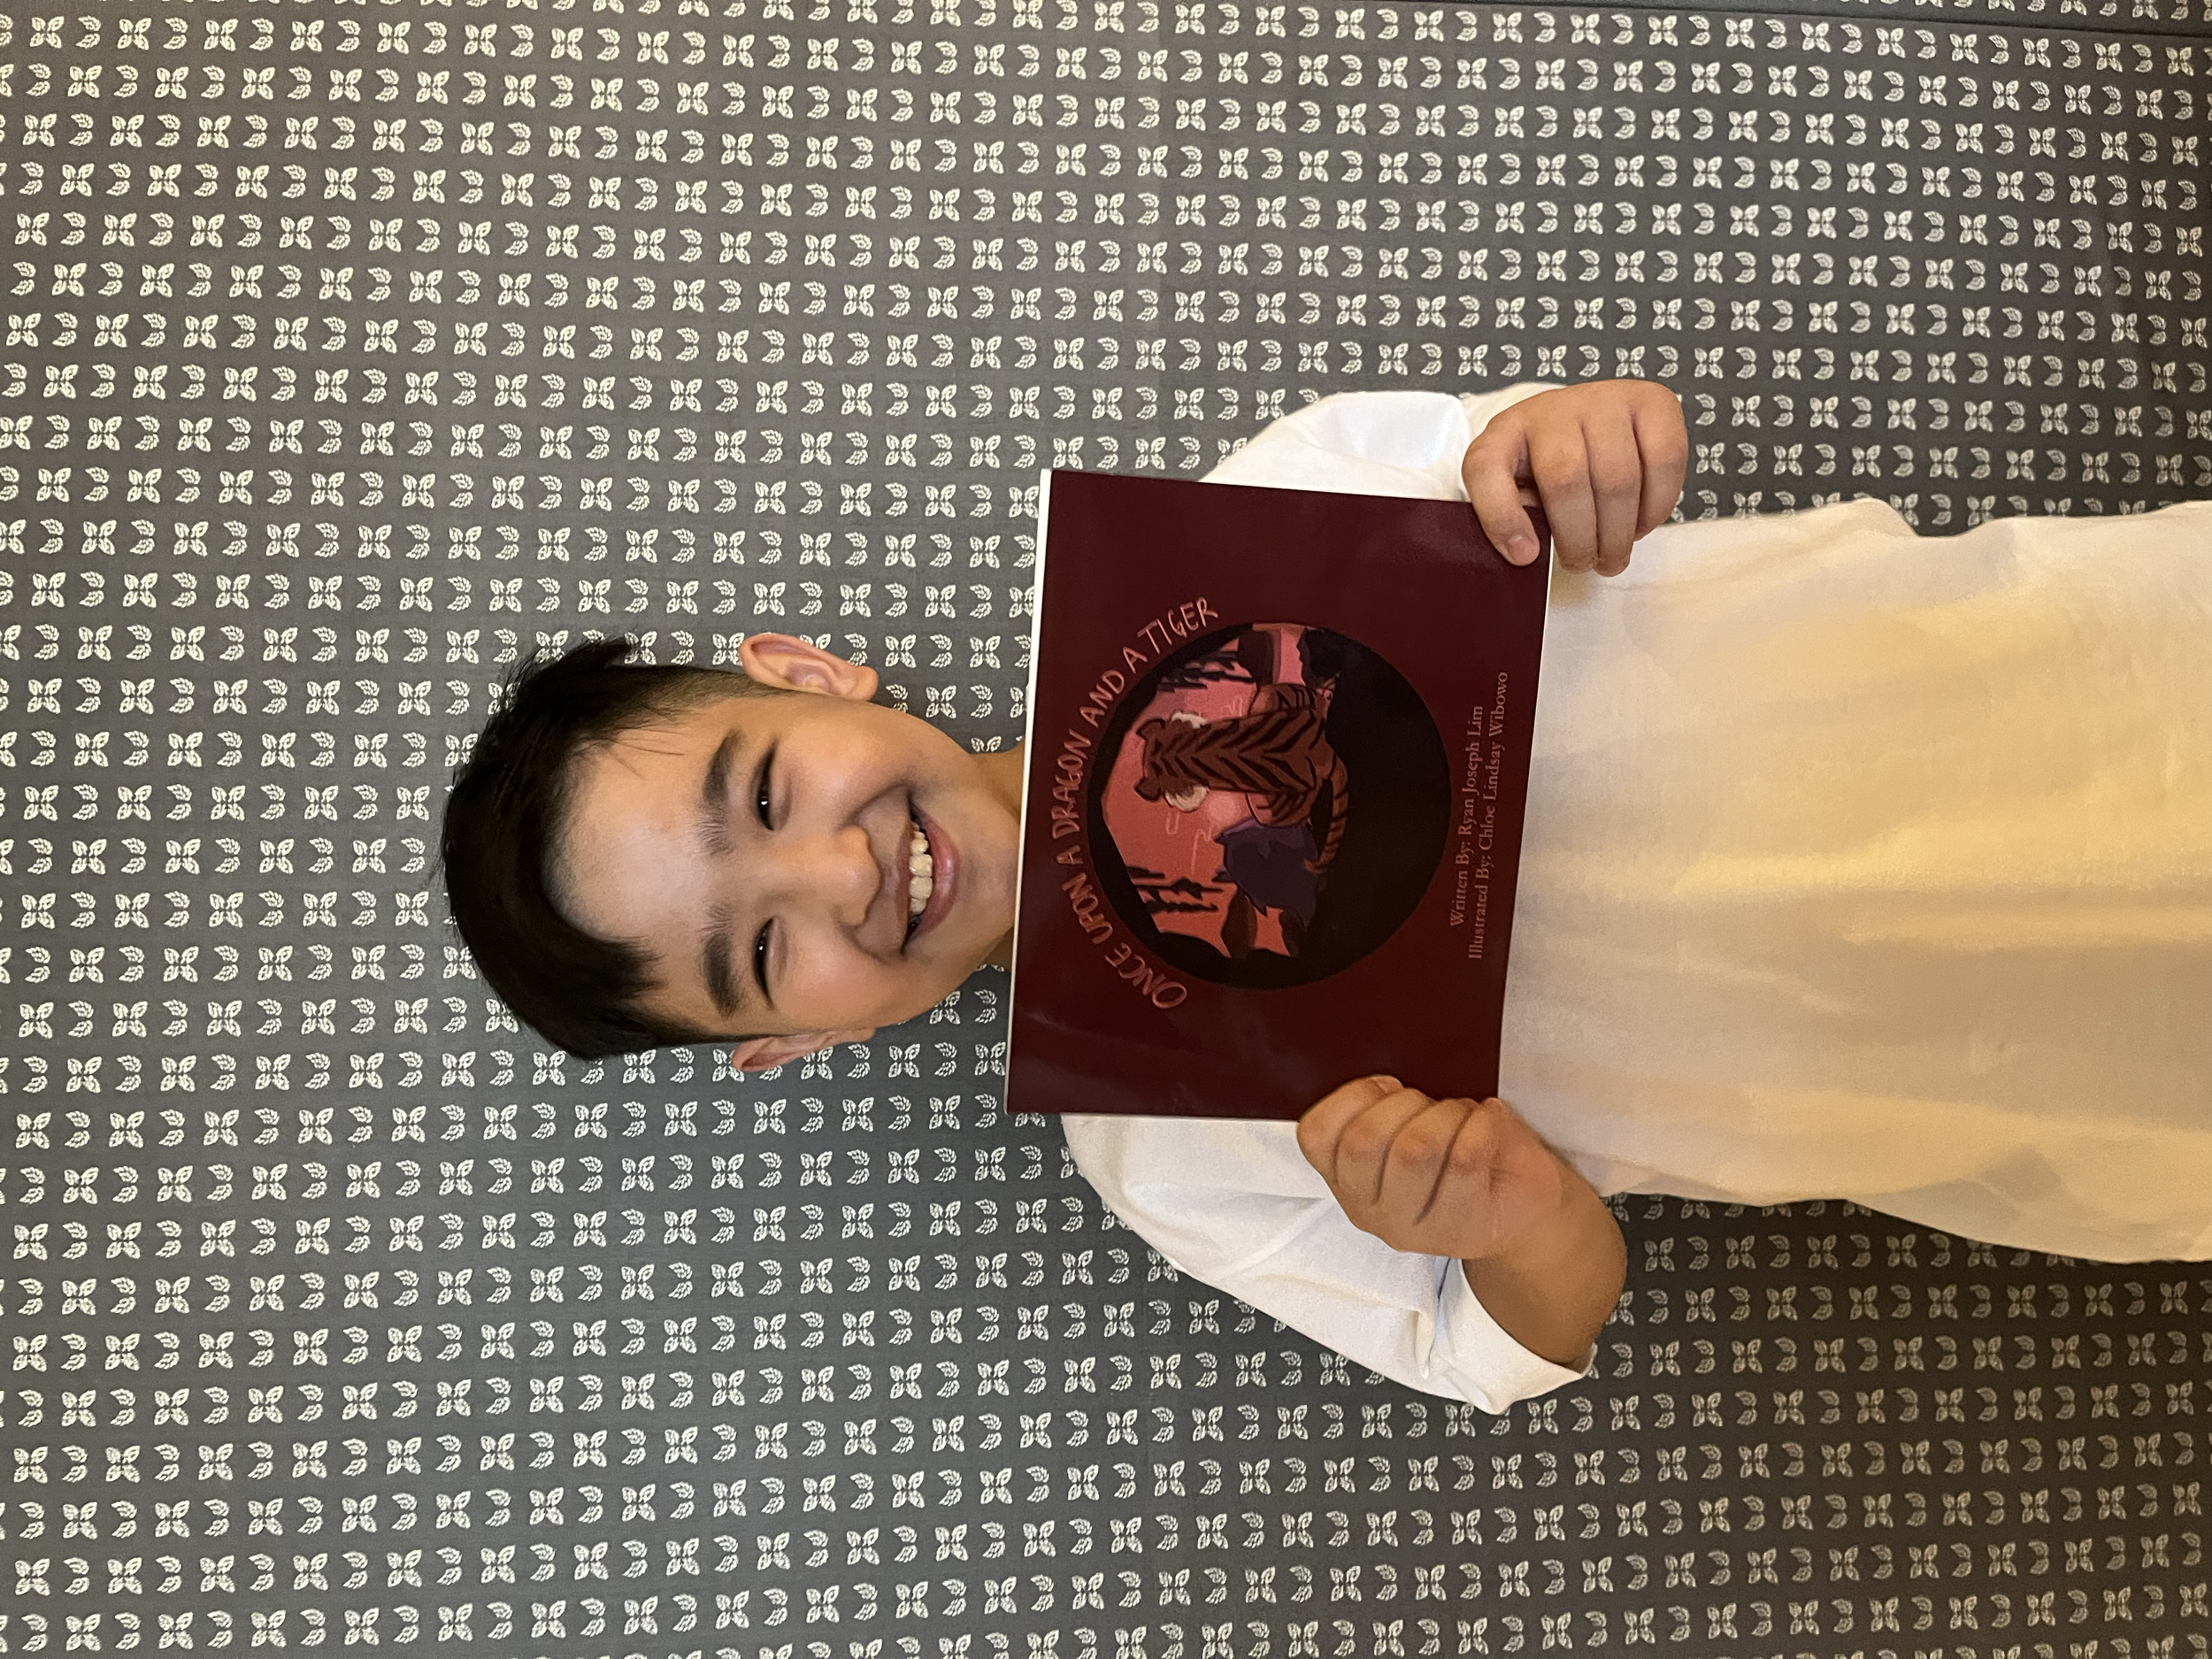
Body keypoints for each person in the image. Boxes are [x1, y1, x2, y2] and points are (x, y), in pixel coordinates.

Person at [440, 379, 2212, 1414]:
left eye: (767, 789)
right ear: (788, 1047)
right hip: (2019, 1070)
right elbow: (1513, 1340)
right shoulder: (1164, 1152)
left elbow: (1556, 466)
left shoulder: (1260, 517)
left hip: (2069, 681)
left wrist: (1585, 438)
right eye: (760, 950)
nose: (840, 871)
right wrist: (1505, 1210)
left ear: (809, 672)